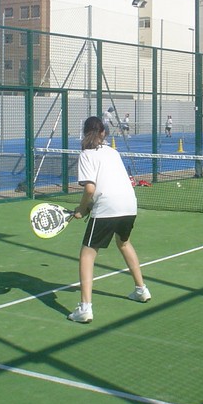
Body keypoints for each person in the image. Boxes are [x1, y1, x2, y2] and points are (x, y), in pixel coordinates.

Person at [68, 116, 150, 323]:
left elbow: (90, 188)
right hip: (130, 203)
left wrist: (82, 208)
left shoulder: (86, 155)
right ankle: (141, 289)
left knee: (87, 253)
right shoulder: (113, 152)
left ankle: (85, 308)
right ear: (103, 132)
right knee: (124, 242)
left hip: (107, 206)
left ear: (85, 133)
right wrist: (87, 207)